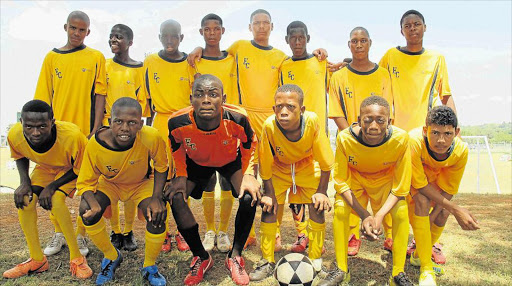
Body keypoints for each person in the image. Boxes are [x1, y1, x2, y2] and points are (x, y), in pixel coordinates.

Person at [166, 75, 260, 286]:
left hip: (229, 160)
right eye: (199, 94)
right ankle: (201, 256)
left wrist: (249, 174)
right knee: (177, 198)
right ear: (191, 99)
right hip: (197, 163)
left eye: (213, 94)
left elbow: (249, 144)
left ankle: (235, 256)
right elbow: (176, 147)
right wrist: (181, 175)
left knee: (249, 196)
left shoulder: (238, 117)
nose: (206, 100)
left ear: (223, 98)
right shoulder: (176, 122)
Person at [318, 96, 413, 286]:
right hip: (357, 182)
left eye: (380, 120)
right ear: (359, 119)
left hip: (385, 182)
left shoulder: (401, 139)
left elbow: (401, 187)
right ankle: (341, 269)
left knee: (401, 211)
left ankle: (398, 273)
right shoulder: (345, 138)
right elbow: (341, 182)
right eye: (368, 119)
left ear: (389, 121)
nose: (374, 126)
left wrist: (378, 217)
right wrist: (365, 215)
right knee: (340, 208)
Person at [34, 10, 105, 256]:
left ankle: (82, 236)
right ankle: (59, 233)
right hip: (58, 136)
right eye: (73, 28)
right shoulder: (51, 58)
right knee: (55, 185)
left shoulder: (96, 57)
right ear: (66, 27)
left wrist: (95, 130)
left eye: (82, 29)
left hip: (85, 135)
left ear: (88, 32)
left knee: (87, 184)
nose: (77, 33)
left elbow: (100, 96)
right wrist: (47, 133)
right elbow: (43, 100)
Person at [77, 97, 168, 286]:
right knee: (86, 210)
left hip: (141, 184)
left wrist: (157, 198)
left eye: (132, 122)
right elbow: (85, 182)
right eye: (118, 122)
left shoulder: (151, 137)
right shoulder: (95, 145)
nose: (125, 128)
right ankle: (111, 256)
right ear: (110, 122)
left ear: (141, 124)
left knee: (158, 213)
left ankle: (149, 266)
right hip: (111, 184)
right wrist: (93, 204)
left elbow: (161, 166)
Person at [249, 84, 334, 281]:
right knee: (269, 208)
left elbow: (326, 164)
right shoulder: (269, 126)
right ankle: (267, 259)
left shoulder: (312, 122)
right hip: (279, 169)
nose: (284, 112)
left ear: (302, 109)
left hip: (306, 166)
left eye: (291, 107)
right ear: (273, 109)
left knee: (317, 205)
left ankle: (314, 257)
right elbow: (266, 165)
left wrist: (322, 191)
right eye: (279, 107)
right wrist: (268, 194)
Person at [3, 100, 92, 279]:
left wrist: (52, 187)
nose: (35, 132)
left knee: (56, 200)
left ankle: (77, 257)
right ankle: (37, 260)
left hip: (70, 170)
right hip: (45, 169)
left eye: (42, 126)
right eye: (29, 126)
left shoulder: (72, 135)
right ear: (22, 123)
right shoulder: (15, 134)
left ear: (53, 121)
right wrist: (24, 182)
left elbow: (81, 168)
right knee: (26, 201)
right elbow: (19, 155)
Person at [328, 26, 394, 256]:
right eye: (354, 41)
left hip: (379, 144)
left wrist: (372, 137)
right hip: (349, 145)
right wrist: (354, 138)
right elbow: (336, 113)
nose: (358, 45)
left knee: (385, 188)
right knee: (348, 191)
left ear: (370, 43)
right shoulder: (338, 77)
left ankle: (390, 236)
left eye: (363, 40)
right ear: (349, 45)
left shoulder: (383, 74)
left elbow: (387, 112)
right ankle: (352, 236)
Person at [275, 21, 332, 254]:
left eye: (301, 38)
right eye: (293, 38)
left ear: (308, 38)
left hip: (317, 135)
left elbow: (343, 69)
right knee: (295, 187)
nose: (297, 42)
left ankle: (316, 240)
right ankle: (302, 234)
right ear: (287, 39)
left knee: (315, 187)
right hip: (291, 136)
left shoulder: (321, 62)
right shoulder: (283, 66)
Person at [407, 106, 479, 285]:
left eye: (447, 134)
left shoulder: (461, 150)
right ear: (426, 131)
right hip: (413, 183)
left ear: (456, 132)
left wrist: (440, 213)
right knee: (423, 202)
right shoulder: (414, 141)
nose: (441, 140)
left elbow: (450, 188)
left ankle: (419, 255)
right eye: (435, 133)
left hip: (436, 187)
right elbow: (419, 184)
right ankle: (426, 269)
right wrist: (456, 209)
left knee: (443, 213)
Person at [144, 19, 194, 252]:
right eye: (166, 35)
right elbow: (145, 100)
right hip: (160, 123)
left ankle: (181, 231)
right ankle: (162, 231)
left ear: (181, 38)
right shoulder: (151, 61)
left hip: (185, 124)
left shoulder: (191, 63)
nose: (170, 40)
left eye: (175, 36)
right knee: (160, 178)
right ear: (160, 37)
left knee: (181, 179)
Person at [193, 13, 238, 253]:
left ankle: (223, 231)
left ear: (222, 31)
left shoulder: (232, 58)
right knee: (208, 179)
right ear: (201, 32)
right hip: (203, 126)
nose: (212, 33)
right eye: (207, 29)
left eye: (216, 29)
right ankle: (209, 229)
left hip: (228, 127)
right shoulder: (194, 60)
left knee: (227, 180)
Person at [104, 23, 149, 252]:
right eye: (111, 36)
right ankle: (115, 231)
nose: (113, 40)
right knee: (111, 179)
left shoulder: (140, 69)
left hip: (133, 133)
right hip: (109, 131)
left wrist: (142, 130)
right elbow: (100, 96)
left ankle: (128, 231)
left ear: (130, 42)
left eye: (119, 37)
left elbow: (144, 103)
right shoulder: (104, 66)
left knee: (131, 180)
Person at [379, 9, 456, 132]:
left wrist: (456, 130)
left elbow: (446, 95)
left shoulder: (436, 58)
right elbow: (374, 77)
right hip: (399, 129)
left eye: (417, 24)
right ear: (402, 31)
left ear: (425, 27)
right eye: (407, 26)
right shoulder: (391, 55)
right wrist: (351, 65)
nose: (412, 28)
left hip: (429, 130)